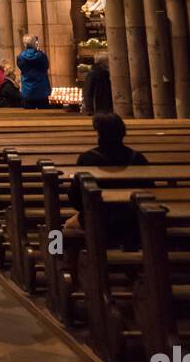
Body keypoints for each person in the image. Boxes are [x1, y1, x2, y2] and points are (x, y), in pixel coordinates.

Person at [67, 114, 150, 247]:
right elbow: (150, 190)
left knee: (60, 229)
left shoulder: (87, 159)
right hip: (132, 220)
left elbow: (75, 199)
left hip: (98, 218)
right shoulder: (138, 158)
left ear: (99, 134)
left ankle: (63, 260)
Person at [17, 35, 52, 109]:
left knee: (28, 117)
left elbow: (20, 67)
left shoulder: (21, 57)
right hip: (42, 90)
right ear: (34, 44)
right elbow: (46, 66)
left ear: (25, 44)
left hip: (27, 90)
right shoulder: (41, 55)